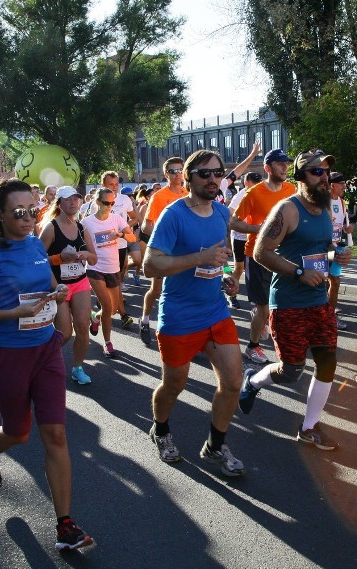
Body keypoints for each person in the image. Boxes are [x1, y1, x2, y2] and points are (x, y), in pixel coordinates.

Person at [0, 178, 92, 552]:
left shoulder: (34, 244)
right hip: (5, 353)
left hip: (45, 348)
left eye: (32, 210)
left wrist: (60, 299)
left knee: (57, 435)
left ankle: (65, 526)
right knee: (18, 432)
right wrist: (15, 311)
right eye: (19, 212)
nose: (29, 218)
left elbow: (49, 284)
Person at [142, 149, 246, 477]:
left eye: (218, 173)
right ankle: (160, 429)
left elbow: (219, 257)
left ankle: (215, 445)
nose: (213, 178)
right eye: (205, 173)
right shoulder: (174, 215)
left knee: (232, 382)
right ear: (188, 178)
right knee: (174, 384)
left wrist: (226, 276)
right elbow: (149, 265)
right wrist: (198, 259)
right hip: (179, 314)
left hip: (214, 311)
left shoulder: (220, 213)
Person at [238, 149, 350, 450]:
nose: (325, 178)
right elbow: (261, 252)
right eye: (317, 172)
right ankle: (252, 382)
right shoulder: (287, 209)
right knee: (291, 371)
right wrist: (299, 272)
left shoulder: (326, 210)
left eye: (326, 172)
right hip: (288, 302)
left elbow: (323, 253)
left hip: (318, 300)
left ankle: (309, 427)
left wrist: (338, 257)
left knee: (327, 362)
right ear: (302, 177)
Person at [229, 148, 298, 364]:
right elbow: (233, 222)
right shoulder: (253, 193)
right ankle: (253, 346)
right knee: (262, 307)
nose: (285, 167)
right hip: (257, 255)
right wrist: (260, 228)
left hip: (284, 254)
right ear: (268, 168)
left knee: (284, 302)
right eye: (280, 164)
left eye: (287, 163)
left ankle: (278, 335)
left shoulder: (291, 189)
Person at [39, 186, 97, 385]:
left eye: (76, 199)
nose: (73, 202)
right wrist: (59, 258)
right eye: (68, 199)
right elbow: (36, 259)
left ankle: (78, 368)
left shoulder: (82, 228)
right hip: (58, 285)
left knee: (82, 327)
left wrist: (86, 255)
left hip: (80, 282)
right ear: (59, 203)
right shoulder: (50, 228)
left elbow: (94, 258)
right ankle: (43, 360)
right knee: (64, 332)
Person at [81, 188, 136, 357]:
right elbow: (80, 242)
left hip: (113, 268)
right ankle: (108, 343)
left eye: (112, 203)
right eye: (106, 203)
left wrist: (120, 234)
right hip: (94, 268)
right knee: (106, 305)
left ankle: (96, 318)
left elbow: (132, 238)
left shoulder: (116, 218)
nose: (109, 206)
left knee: (111, 310)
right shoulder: (87, 222)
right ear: (97, 202)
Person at [139, 157, 188, 346]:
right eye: (174, 171)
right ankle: (144, 320)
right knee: (156, 290)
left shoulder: (187, 194)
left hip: (183, 252)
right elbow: (145, 226)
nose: (178, 174)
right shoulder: (159, 197)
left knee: (182, 290)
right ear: (166, 174)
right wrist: (167, 236)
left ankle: (181, 331)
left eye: (180, 170)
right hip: (164, 251)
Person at [226, 172, 262, 309]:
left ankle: (255, 299)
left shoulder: (260, 193)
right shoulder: (240, 196)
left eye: (259, 181)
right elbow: (230, 214)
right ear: (246, 183)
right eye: (254, 181)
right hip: (240, 237)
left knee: (255, 267)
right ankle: (231, 296)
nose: (257, 184)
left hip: (254, 236)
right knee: (239, 268)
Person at [326, 171, 350, 330]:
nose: (344, 187)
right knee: (322, 282)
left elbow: (340, 226)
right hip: (322, 248)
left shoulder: (341, 202)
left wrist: (347, 229)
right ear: (332, 185)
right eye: (341, 184)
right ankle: (326, 316)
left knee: (335, 281)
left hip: (336, 248)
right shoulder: (323, 202)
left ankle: (329, 315)